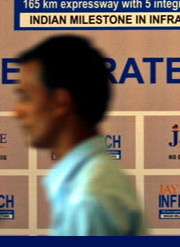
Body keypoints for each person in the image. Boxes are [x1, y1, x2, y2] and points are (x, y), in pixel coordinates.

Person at [13, 35, 146, 236]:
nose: (16, 112)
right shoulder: (90, 184)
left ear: (61, 103)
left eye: (26, 97)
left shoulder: (88, 198)